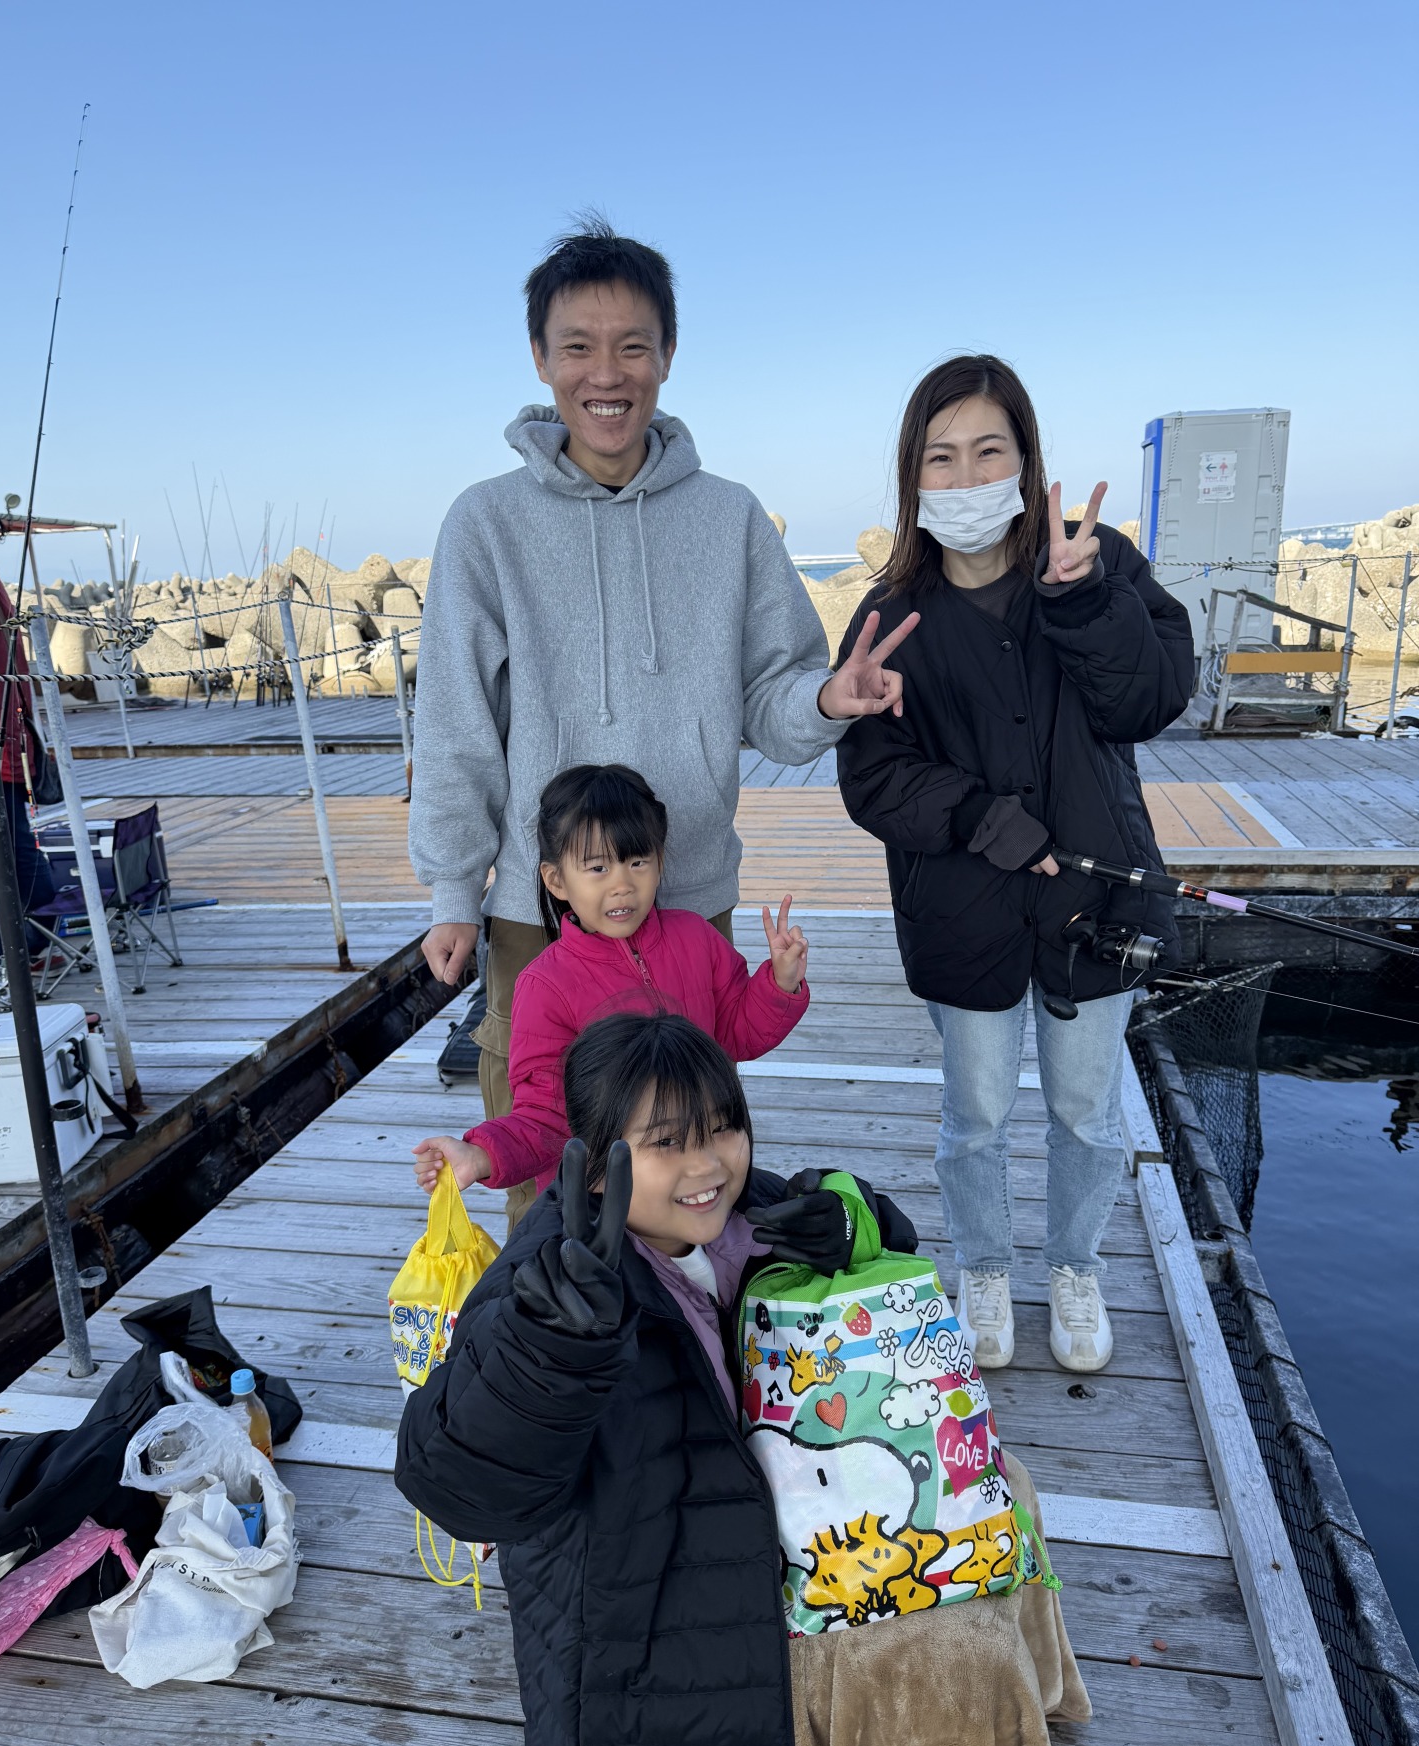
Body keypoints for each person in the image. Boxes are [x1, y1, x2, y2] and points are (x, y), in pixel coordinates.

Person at [396, 1011, 1088, 1746]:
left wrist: (856, 1218)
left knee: (1005, 1483)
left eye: (722, 1127)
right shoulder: (552, 1285)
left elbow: (872, 1243)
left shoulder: (745, 1213)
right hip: (668, 1598)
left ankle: (1025, 1721)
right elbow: (455, 1484)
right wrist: (553, 1352)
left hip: (780, 1502)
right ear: (595, 1167)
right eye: (666, 1143)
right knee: (947, 1658)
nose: (707, 1165)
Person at [408, 219, 913, 1231]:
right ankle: (553, 1311)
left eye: (633, 346)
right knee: (548, 1152)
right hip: (542, 907)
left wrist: (825, 700)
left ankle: (686, 1310)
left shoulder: (729, 517)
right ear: (541, 358)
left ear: (669, 355)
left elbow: (773, 695)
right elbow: (457, 721)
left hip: (690, 899)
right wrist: (454, 891)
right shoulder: (485, 522)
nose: (607, 374)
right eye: (578, 347)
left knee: (684, 1156)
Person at [836, 355, 1193, 1376]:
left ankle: (1076, 1267)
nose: (965, 476)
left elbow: (1150, 700)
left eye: (988, 450)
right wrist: (985, 819)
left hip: (1096, 899)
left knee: (1088, 1113)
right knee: (976, 1114)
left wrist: (1083, 603)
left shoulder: (1098, 565)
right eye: (940, 458)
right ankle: (984, 1268)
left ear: (1028, 461)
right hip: (963, 910)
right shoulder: (891, 612)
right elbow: (872, 778)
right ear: (912, 477)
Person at [411, 762, 810, 1206]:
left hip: (697, 1178)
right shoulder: (546, 985)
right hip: (605, 1204)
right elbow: (544, 1116)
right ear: (556, 880)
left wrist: (779, 984)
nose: (623, 885)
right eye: (598, 867)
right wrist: (481, 1154)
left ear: (660, 862)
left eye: (638, 862)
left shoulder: (696, 938)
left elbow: (736, 1034)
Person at [0, 517, 56, 983]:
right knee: (8, 851)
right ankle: (21, 947)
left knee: (0, 858)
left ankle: (1, 955)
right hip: (1, 737)